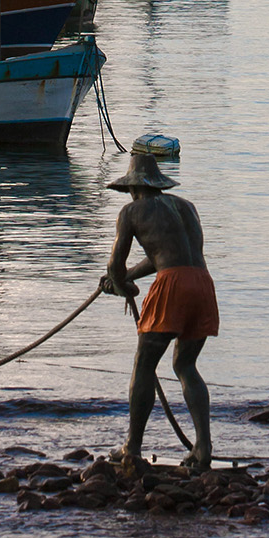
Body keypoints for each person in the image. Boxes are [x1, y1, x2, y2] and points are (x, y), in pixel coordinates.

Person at [103, 152, 218, 471]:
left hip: (172, 285)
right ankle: (203, 447)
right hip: (202, 283)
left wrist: (118, 283)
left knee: (144, 365)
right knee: (185, 363)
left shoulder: (131, 212)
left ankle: (133, 447)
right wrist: (126, 279)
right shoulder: (186, 207)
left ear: (133, 189)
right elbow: (164, 255)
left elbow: (115, 264)